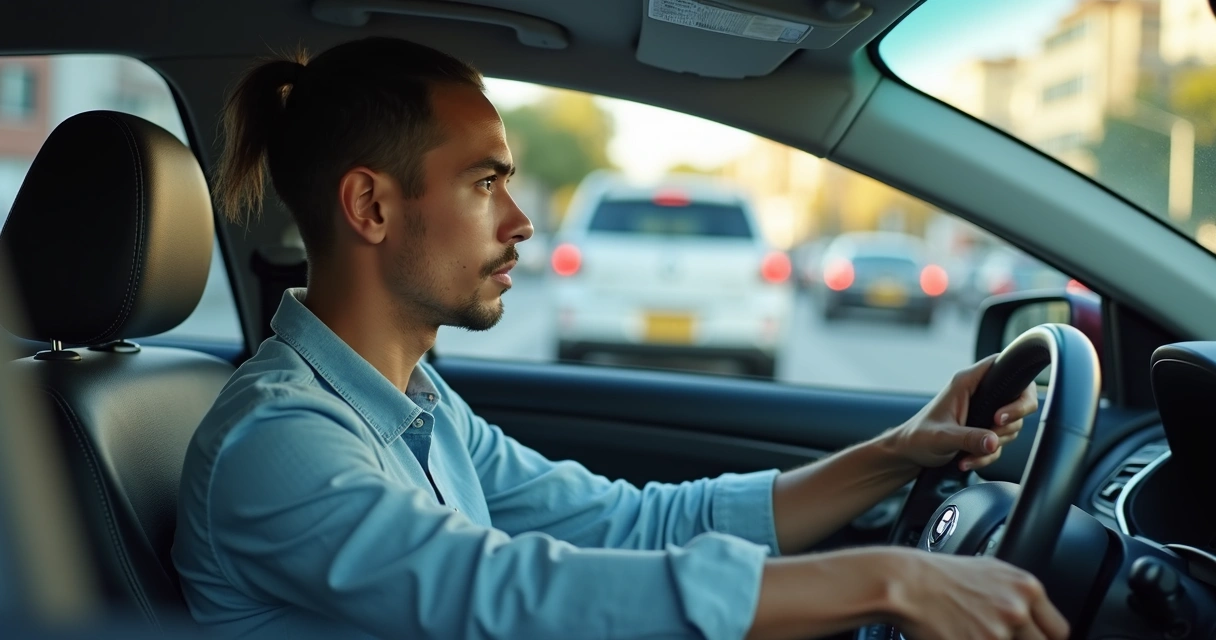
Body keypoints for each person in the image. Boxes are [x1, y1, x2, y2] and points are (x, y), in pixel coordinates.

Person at [172, 37, 1069, 640]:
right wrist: (890, 581)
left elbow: (630, 524)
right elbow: (510, 593)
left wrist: (898, 454)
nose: (521, 221)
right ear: (371, 206)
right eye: (486, 183)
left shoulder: (416, 404)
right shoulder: (280, 442)